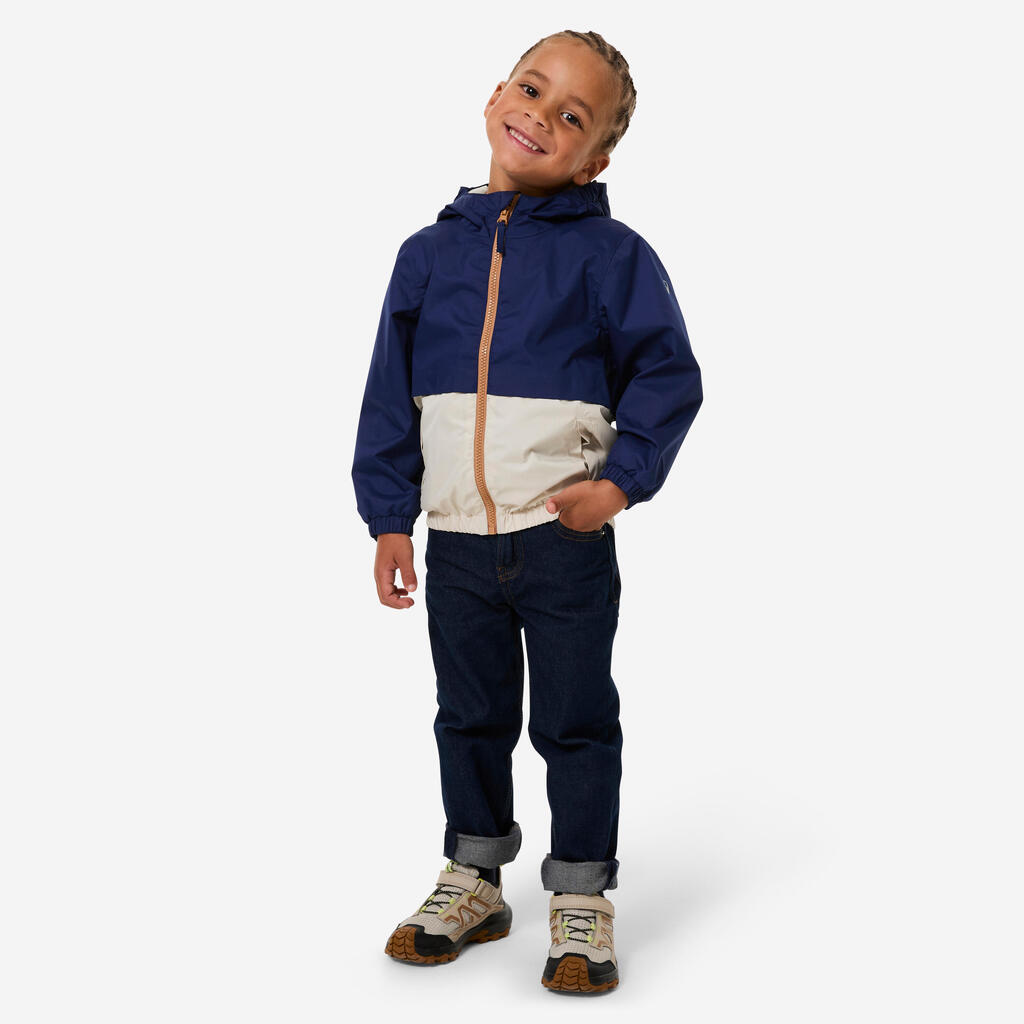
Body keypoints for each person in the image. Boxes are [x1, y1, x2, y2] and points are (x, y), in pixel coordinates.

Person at [351, 29, 703, 994]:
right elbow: (389, 398)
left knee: (576, 721)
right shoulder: (427, 256)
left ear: (595, 160)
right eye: (532, 89)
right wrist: (389, 518)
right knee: (468, 716)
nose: (540, 117)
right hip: (458, 545)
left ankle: (582, 895)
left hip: (563, 543)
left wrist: (618, 484)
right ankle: (475, 877)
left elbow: (668, 377)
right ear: (495, 94)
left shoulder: (613, 257)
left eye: (572, 116)